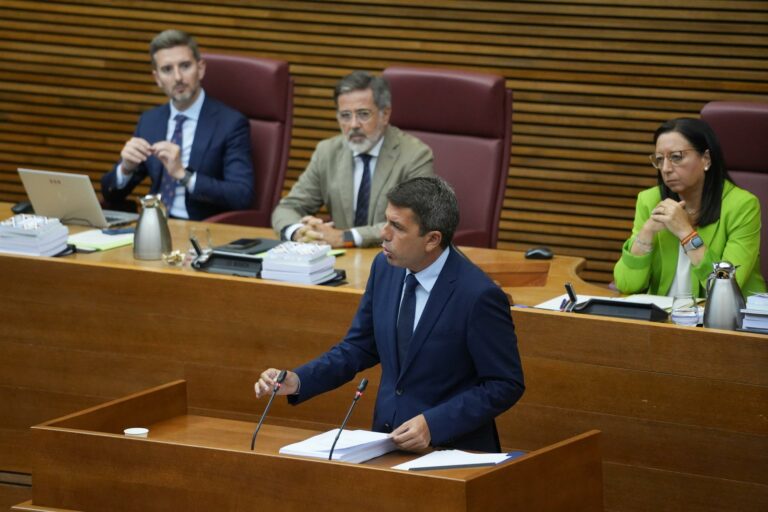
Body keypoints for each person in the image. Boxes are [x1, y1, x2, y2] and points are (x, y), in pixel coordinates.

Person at [256, 177, 524, 452]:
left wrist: (434, 424)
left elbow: (505, 383)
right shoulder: (385, 268)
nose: (384, 233)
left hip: (453, 453)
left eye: (397, 226)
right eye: (386, 221)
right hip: (387, 444)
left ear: (432, 239)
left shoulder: (478, 295)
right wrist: (299, 380)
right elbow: (359, 347)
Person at [101, 29, 254, 220]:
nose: (178, 77)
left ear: (200, 69)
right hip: (155, 225)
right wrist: (126, 168)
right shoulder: (150, 121)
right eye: (167, 69)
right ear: (157, 79)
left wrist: (183, 174)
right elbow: (111, 195)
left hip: (201, 228)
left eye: (185, 66)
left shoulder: (230, 124)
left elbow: (241, 195)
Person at [271, 71, 434, 248]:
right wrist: (299, 231)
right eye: (345, 115)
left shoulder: (415, 155)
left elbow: (414, 219)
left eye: (363, 114)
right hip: (343, 259)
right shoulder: (327, 152)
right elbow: (288, 208)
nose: (354, 124)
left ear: (385, 114)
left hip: (395, 257)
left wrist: (347, 237)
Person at [614, 118, 765, 298]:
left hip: (725, 313)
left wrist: (686, 233)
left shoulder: (742, 206)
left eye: (676, 157)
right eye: (660, 159)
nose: (666, 168)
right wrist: (646, 233)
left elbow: (725, 287)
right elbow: (626, 284)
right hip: (663, 312)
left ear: (705, 159)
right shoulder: (650, 200)